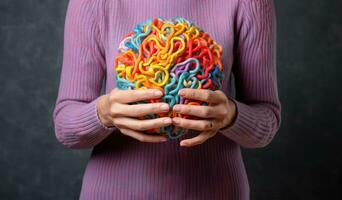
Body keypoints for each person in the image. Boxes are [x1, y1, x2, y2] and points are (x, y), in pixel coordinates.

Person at [52, 0, 281, 199]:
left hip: (216, 191)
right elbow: (65, 126)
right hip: (115, 191)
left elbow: (267, 120)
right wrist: (104, 113)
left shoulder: (250, 2)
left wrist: (231, 115)